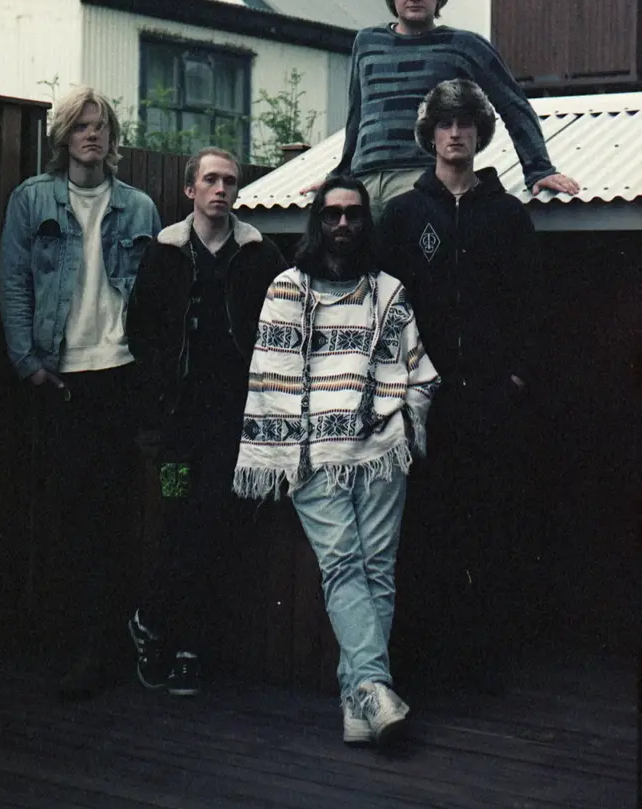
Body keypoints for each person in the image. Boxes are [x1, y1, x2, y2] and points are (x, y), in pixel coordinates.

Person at [233, 177, 439, 747]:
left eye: (353, 214)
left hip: (379, 451)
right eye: (332, 214)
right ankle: (374, 686)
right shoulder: (286, 290)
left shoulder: (388, 291)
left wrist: (402, 423)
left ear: (365, 222)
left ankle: (358, 703)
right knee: (344, 565)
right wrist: (291, 447)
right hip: (313, 454)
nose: (343, 224)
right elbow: (269, 377)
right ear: (317, 222)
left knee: (378, 569)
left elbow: (418, 370)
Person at [0, 85, 161, 699]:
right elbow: (13, 282)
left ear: (112, 138)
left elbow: (156, 297)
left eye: (101, 126)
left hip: (119, 374)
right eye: (82, 126)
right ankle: (72, 648)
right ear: (64, 136)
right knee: (68, 518)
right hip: (62, 379)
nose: (92, 135)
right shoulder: (32, 200)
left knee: (113, 518)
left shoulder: (138, 207)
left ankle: (101, 652)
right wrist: (27, 364)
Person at [380, 78, 538, 694]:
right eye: (445, 123)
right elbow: (384, 308)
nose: (455, 133)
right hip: (424, 404)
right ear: (430, 135)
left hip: (490, 403)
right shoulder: (403, 214)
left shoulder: (507, 215)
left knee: (488, 529)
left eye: (465, 123)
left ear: (479, 133)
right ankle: (424, 666)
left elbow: (531, 307)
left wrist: (515, 378)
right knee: (425, 533)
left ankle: (482, 668)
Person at [125, 148, 284, 697]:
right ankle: (166, 635)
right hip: (176, 427)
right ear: (191, 190)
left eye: (229, 181)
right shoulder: (164, 252)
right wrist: (155, 399)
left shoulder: (259, 254)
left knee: (209, 518)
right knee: (176, 516)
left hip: (229, 425)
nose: (221, 188)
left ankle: (169, 634)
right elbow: (140, 331)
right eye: (210, 180)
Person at [302, 0, 578, 219]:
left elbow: (513, 104)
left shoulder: (464, 45)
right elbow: (357, 116)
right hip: (364, 180)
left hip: (421, 177)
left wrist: (539, 169)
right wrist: (339, 176)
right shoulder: (366, 42)